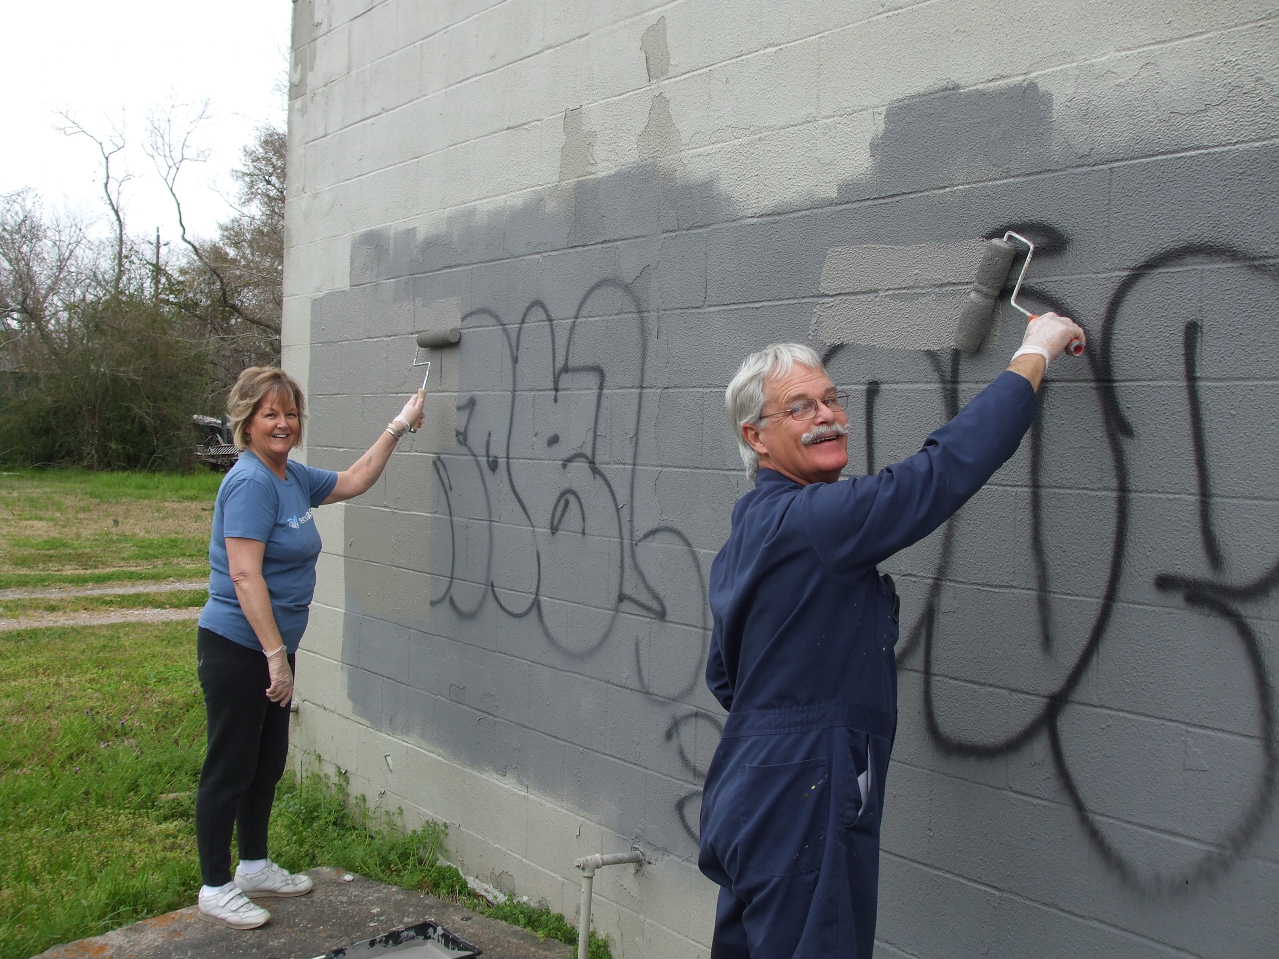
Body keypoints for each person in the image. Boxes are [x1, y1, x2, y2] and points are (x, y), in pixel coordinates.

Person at [697, 313, 1086, 958]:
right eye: (798, 408)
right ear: (756, 438)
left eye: (830, 398)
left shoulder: (751, 528)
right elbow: (938, 475)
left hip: (752, 787)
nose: (825, 415)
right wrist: (1033, 354)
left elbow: (724, 675)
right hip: (802, 798)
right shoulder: (812, 523)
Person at [194, 366, 425, 929]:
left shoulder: (290, 477)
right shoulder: (250, 482)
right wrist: (275, 656)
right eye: (270, 414)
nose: (283, 423)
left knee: (266, 762)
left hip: (272, 648)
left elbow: (352, 481)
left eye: (290, 413)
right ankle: (215, 885)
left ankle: (253, 866)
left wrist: (399, 425)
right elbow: (246, 577)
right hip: (238, 648)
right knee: (230, 766)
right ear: (246, 423)